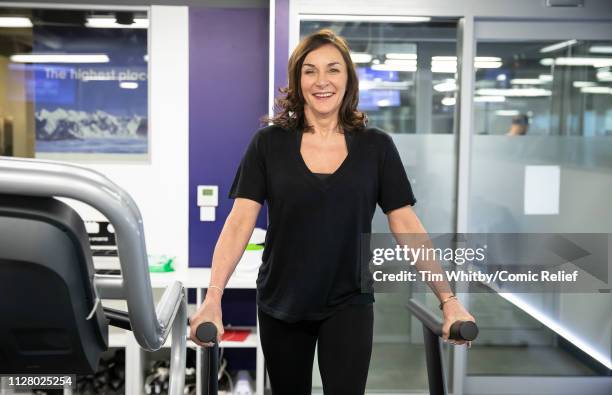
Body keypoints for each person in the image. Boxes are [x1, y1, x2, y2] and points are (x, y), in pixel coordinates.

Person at [189, 28, 475, 394]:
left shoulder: (376, 147)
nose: (321, 81)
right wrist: (213, 298)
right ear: (297, 79)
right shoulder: (269, 144)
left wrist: (448, 300)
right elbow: (239, 222)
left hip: (348, 302)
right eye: (310, 71)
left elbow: (406, 224)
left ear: (348, 79)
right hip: (282, 302)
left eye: (333, 69)